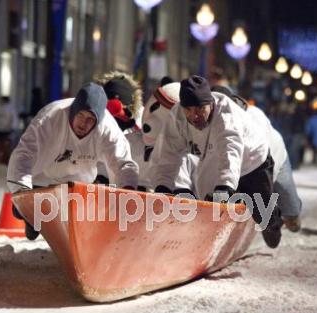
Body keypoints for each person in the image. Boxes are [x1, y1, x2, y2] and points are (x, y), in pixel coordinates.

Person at [148, 75, 283, 248]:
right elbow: (168, 153)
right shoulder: (177, 116)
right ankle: (208, 238)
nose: (194, 115)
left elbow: (230, 151)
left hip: (252, 161)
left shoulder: (226, 115)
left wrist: (225, 187)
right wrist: (163, 187)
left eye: (199, 109)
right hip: (213, 155)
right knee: (209, 201)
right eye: (188, 109)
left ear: (210, 104)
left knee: (265, 221)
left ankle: (274, 218)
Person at [7, 82, 139, 239]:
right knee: (24, 211)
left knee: (76, 217)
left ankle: (77, 237)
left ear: (98, 121)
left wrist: (127, 193)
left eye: (91, 119)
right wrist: (23, 194)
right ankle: (33, 222)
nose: (84, 123)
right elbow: (24, 154)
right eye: (81, 115)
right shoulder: (50, 118)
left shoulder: (107, 129)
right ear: (73, 111)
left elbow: (123, 163)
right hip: (42, 176)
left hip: (77, 182)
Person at [211, 85, 303, 232]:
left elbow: (263, 158)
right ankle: (265, 221)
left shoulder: (251, 116)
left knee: (288, 204)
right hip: (245, 164)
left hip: (274, 154)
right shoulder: (213, 122)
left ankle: (287, 217)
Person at [95, 71, 149, 189]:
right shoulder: (91, 124)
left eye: (119, 116)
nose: (113, 123)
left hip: (143, 193)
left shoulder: (147, 125)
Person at [0, 96, 18, 164]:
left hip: (7, 130)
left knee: (5, 145)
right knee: (1, 145)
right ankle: (2, 158)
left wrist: (12, 128)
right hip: (1, 129)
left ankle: (5, 159)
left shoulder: (10, 109)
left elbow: (13, 119)